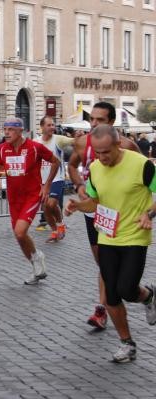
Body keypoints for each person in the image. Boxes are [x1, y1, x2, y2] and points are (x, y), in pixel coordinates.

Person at [64, 124, 156, 363]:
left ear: (118, 144)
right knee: (111, 297)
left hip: (135, 234)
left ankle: (147, 296)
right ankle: (127, 343)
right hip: (107, 235)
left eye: (106, 152)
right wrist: (77, 205)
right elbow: (95, 202)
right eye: (97, 152)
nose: (102, 157)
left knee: (127, 289)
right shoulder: (95, 169)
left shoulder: (141, 165)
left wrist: (148, 214)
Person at [68, 102, 140, 330]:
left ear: (111, 122)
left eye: (100, 120)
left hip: (122, 214)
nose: (94, 124)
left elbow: (143, 174)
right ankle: (111, 303)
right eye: (92, 119)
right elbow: (72, 165)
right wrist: (79, 186)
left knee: (114, 270)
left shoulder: (128, 145)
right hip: (94, 210)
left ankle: (103, 308)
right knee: (103, 262)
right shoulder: (81, 142)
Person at [0, 117, 61, 285]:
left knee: (21, 231)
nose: (6, 133)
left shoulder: (34, 147)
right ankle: (36, 263)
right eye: (5, 129)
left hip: (32, 195)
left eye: (11, 129)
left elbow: (55, 162)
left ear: (20, 131)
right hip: (14, 198)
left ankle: (37, 258)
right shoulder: (2, 149)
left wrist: (47, 185)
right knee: (18, 235)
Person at [33, 116, 74, 242]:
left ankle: (60, 224)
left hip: (57, 177)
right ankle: (55, 231)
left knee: (52, 203)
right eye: (49, 125)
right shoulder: (35, 142)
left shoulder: (59, 140)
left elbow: (74, 141)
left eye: (53, 125)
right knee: (46, 208)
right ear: (42, 127)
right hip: (42, 180)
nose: (52, 127)